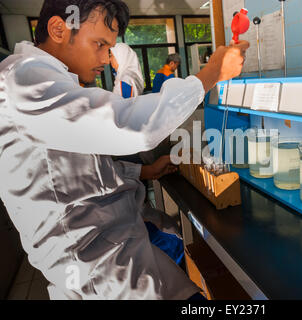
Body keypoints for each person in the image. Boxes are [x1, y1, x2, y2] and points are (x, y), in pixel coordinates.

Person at [0, 0, 249, 300]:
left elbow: (75, 171)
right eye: (100, 44)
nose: (107, 58)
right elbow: (130, 124)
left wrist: (144, 170)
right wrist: (212, 73)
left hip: (115, 249)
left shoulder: (53, 84)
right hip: (99, 269)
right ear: (58, 29)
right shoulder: (21, 81)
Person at [109, 42, 185, 266]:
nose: (108, 61)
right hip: (130, 149)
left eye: (110, 55)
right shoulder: (127, 77)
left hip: (130, 149)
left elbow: (125, 112)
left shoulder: (126, 78)